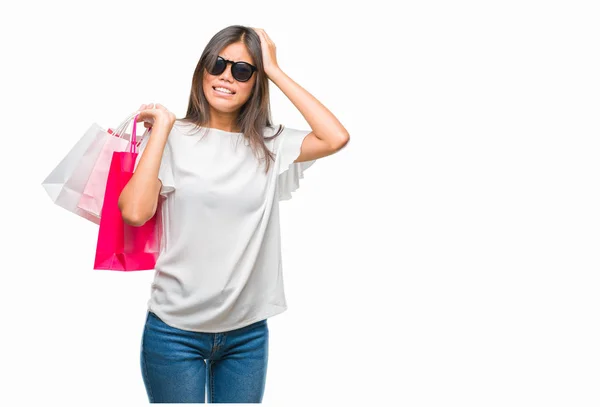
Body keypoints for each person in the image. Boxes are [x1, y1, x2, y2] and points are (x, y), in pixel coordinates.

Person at [119, 25, 350, 403]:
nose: (227, 76)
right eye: (218, 64)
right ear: (203, 70)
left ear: (255, 82)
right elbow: (134, 212)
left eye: (243, 70)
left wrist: (273, 68)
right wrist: (163, 130)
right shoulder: (171, 137)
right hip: (174, 332)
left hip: (247, 335)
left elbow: (335, 137)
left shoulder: (271, 144)